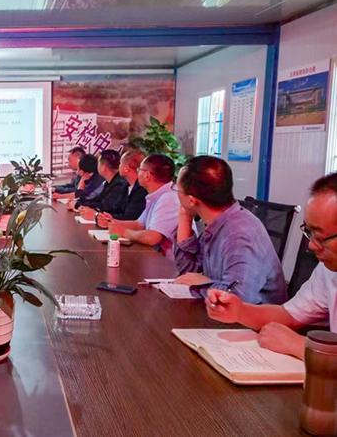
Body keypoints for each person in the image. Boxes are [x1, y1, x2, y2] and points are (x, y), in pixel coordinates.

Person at [205, 173, 337, 359]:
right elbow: (289, 315)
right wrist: (240, 311)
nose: (311, 245)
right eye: (309, 232)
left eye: (321, 237)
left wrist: (300, 346)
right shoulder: (328, 272)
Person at [173, 156, 287, 304]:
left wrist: (204, 284)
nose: (176, 193)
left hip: (252, 316)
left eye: (177, 190)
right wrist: (184, 217)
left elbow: (237, 297)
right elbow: (189, 273)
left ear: (191, 200)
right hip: (219, 312)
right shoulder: (216, 223)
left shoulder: (239, 234)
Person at [100, 154, 179, 258]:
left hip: (166, 263)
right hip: (154, 256)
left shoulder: (169, 198)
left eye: (139, 170)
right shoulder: (157, 194)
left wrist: (124, 232)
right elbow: (139, 224)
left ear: (147, 175)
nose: (137, 173)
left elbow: (152, 238)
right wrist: (112, 222)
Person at [95, 149, 147, 226]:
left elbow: (131, 217)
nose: (118, 167)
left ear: (126, 168)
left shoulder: (141, 189)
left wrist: (108, 218)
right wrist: (104, 216)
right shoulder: (126, 186)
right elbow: (115, 209)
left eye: (120, 164)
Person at [77, 150, 129, 216]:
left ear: (103, 167)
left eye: (98, 163)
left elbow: (105, 207)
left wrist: (78, 204)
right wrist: (79, 203)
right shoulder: (109, 182)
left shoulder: (119, 184)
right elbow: (97, 200)